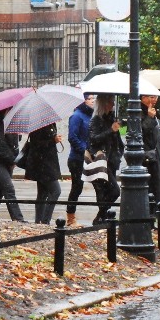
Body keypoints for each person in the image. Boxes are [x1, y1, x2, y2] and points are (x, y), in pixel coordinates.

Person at [88, 94, 124, 225]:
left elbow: (117, 141)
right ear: (104, 104)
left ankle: (102, 217)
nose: (113, 104)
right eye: (110, 102)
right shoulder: (96, 120)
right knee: (112, 190)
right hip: (100, 160)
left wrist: (120, 152)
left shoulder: (111, 119)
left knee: (107, 191)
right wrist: (110, 130)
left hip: (112, 160)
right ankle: (101, 216)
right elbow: (93, 139)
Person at [65, 94, 94, 227]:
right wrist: (84, 151)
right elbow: (72, 137)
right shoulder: (76, 116)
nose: (92, 100)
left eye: (93, 98)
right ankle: (70, 218)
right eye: (89, 98)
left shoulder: (90, 115)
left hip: (88, 157)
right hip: (77, 159)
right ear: (82, 101)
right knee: (77, 187)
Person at [25, 122, 62, 224]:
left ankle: (39, 222)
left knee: (42, 193)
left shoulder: (49, 122)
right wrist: (52, 141)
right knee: (56, 191)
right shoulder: (38, 124)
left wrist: (54, 138)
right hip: (43, 164)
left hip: (46, 163)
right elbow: (36, 143)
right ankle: (45, 221)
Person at [141, 94, 160, 209]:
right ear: (142, 98)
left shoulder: (154, 113)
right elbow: (141, 133)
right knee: (153, 188)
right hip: (149, 159)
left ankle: (158, 214)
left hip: (157, 157)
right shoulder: (140, 114)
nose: (154, 100)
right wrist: (149, 118)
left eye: (156, 97)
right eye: (151, 97)